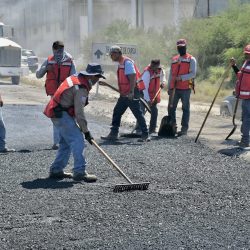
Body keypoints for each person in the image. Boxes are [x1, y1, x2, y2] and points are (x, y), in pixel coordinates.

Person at [44, 63, 105, 181]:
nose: (98, 80)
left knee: (66, 143)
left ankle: (57, 169)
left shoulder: (77, 78)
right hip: (61, 113)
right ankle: (79, 171)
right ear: (91, 76)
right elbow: (79, 113)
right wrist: (86, 131)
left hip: (58, 112)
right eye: (97, 77)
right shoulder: (81, 87)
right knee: (77, 140)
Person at [101, 45, 150, 142]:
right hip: (124, 93)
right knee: (117, 111)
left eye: (111, 55)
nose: (111, 57)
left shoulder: (127, 62)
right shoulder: (121, 63)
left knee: (138, 113)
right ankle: (113, 133)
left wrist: (131, 92)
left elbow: (132, 77)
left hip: (131, 92)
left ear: (117, 54)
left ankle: (145, 134)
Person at [36, 40, 76, 150]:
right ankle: (57, 142)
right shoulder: (49, 60)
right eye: (56, 50)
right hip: (54, 94)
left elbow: (74, 77)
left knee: (69, 115)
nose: (58, 53)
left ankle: (70, 139)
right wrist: (45, 68)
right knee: (56, 116)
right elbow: (38, 75)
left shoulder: (69, 60)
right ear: (53, 50)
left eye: (60, 50)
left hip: (66, 93)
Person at [168, 38, 197, 136]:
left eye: (183, 47)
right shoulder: (174, 59)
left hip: (185, 89)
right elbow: (171, 74)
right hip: (174, 88)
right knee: (171, 108)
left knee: (185, 109)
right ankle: (173, 126)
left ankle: (184, 129)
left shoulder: (191, 59)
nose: (181, 49)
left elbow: (193, 74)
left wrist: (181, 78)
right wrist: (169, 87)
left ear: (186, 47)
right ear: (177, 48)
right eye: (179, 47)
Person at [230, 44, 250, 148]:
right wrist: (234, 65)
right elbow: (240, 76)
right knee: (245, 118)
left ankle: (245, 141)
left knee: (246, 119)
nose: (247, 56)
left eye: (248, 54)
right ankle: (246, 139)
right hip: (245, 97)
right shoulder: (246, 63)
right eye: (246, 54)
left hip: (248, 98)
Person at [141, 59, 166, 134]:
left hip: (153, 95)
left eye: (155, 67)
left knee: (154, 111)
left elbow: (163, 76)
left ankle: (152, 129)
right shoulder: (147, 73)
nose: (153, 68)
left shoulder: (160, 70)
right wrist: (148, 100)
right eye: (152, 66)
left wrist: (163, 82)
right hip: (143, 95)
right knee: (140, 112)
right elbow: (144, 88)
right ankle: (139, 129)